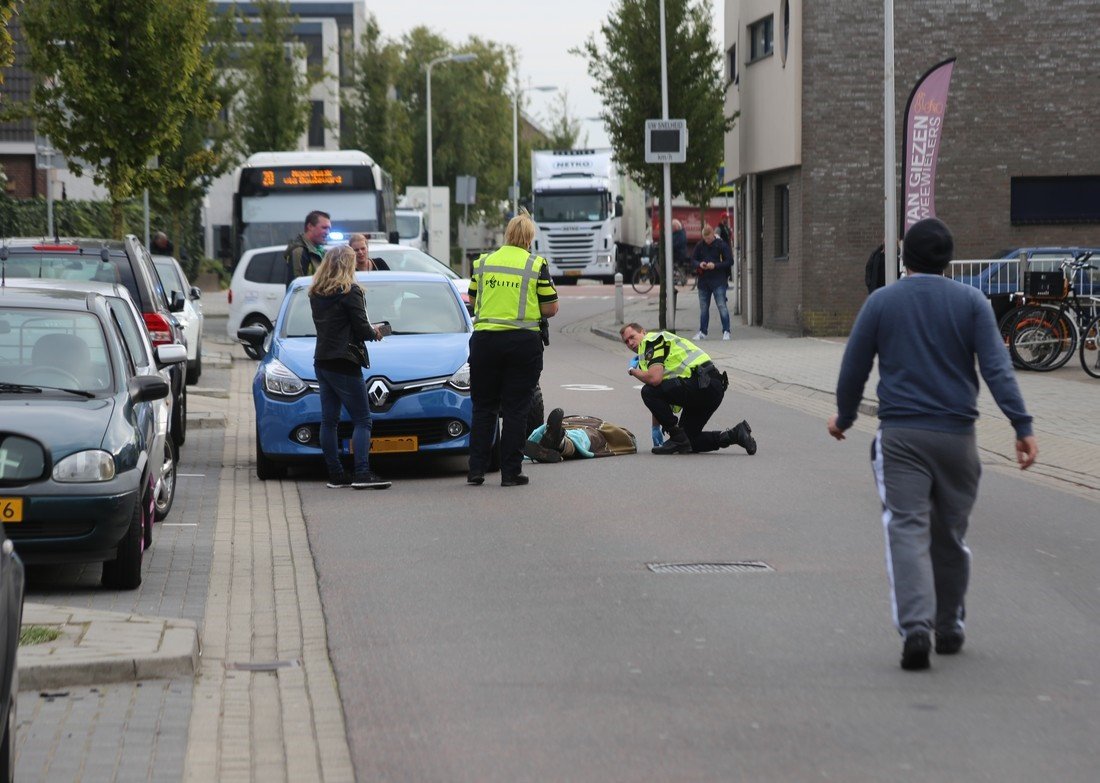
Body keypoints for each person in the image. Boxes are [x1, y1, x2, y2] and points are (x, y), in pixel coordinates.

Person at [827, 217, 1038, 672]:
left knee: (905, 528)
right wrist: (1022, 426)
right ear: (948, 259)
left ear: (905, 258)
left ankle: (916, 627)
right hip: (958, 438)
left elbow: (854, 367)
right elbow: (997, 369)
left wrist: (844, 417)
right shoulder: (972, 302)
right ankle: (950, 625)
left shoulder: (882, 302)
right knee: (949, 535)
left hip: (902, 437)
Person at [466, 211, 559, 487]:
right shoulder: (536, 264)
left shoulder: (483, 263)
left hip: (485, 342)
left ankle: (476, 471)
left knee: (483, 408)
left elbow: (473, 299)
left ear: (507, 234)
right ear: (529, 238)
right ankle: (510, 472)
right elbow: (550, 307)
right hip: (522, 343)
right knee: (517, 409)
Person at [309, 245, 390, 490]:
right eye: (353, 262)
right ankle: (362, 473)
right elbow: (362, 330)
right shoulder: (350, 291)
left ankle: (336, 474)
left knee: (329, 421)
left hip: (322, 360)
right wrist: (377, 332)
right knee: (363, 420)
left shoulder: (316, 292)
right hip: (345, 362)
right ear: (347, 265)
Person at [620, 322, 756, 456]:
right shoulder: (652, 349)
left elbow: (654, 380)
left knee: (647, 392)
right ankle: (735, 435)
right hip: (711, 387)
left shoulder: (652, 341)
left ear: (643, 332)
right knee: (689, 441)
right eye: (626, 341)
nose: (630, 343)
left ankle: (676, 437)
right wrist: (655, 426)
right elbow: (658, 392)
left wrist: (632, 370)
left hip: (701, 385)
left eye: (632, 337)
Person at [522, 407, 637, 463]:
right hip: (574, 427)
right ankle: (558, 443)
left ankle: (549, 442)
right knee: (583, 436)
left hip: (571, 427)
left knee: (581, 435)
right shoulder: (604, 425)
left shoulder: (602, 425)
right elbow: (628, 438)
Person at [691, 225, 734, 341]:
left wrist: (715, 265)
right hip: (704, 282)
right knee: (704, 307)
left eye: (709, 238)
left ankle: (726, 331)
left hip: (718, 280)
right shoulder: (700, 245)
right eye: (705, 239)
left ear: (712, 235)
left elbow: (730, 261)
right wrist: (699, 264)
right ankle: (703, 332)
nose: (707, 241)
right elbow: (693, 260)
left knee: (721, 305)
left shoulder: (721, 245)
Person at [285, 210, 331, 288]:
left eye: (329, 229)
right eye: (324, 228)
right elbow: (298, 288)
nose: (328, 232)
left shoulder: (321, 252)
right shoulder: (299, 252)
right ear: (310, 227)